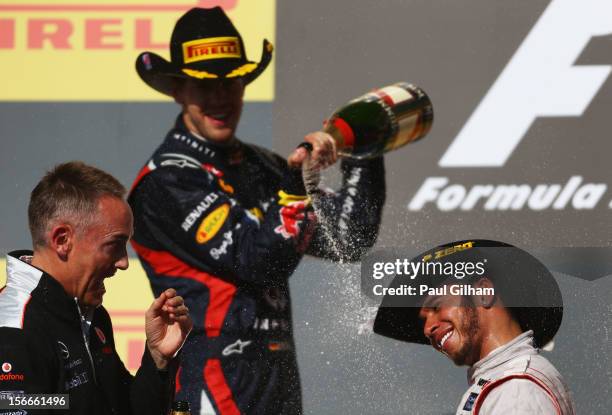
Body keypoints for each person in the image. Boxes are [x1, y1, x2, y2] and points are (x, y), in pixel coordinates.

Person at [130, 6, 386, 415]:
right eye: (204, 85)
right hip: (212, 382)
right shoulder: (167, 181)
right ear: (177, 90)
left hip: (277, 377)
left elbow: (348, 237)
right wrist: (295, 185)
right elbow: (259, 261)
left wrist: (362, 149)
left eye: (231, 82)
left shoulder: (261, 166)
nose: (220, 98)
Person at [0, 161, 193, 415]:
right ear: (62, 240)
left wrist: (158, 356)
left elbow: (126, 409)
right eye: (115, 244)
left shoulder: (90, 315)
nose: (124, 262)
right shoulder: (13, 330)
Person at [373, 239, 576, 414]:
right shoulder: (503, 384)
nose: (427, 329)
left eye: (436, 305)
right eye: (423, 321)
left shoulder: (515, 392)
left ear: (483, 293)